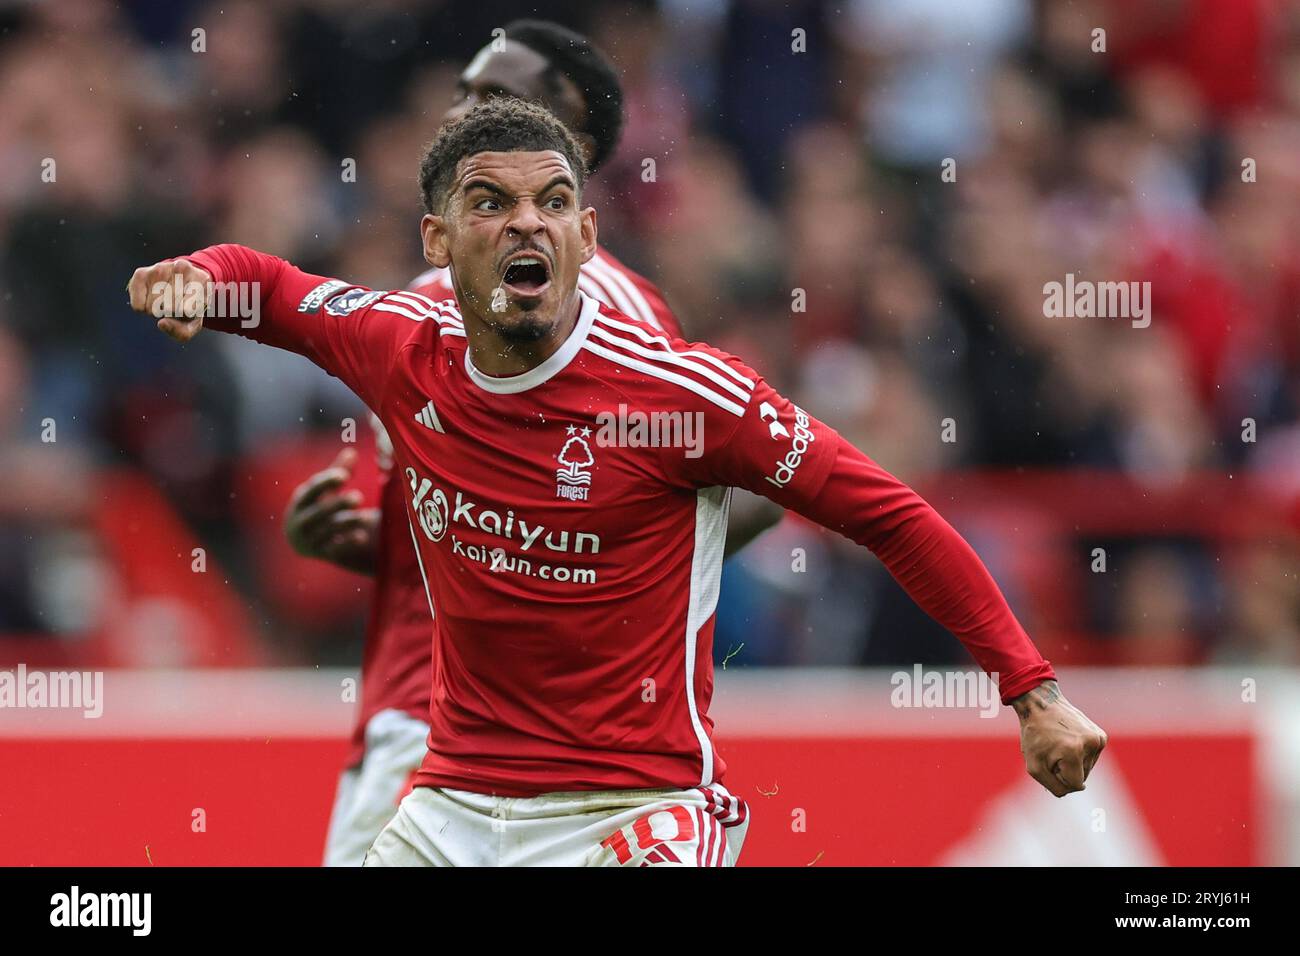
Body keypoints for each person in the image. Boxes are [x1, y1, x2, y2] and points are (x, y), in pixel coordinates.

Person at [127, 97, 1106, 867]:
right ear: (436, 242)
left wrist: (1031, 690)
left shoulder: (680, 397)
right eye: (491, 201)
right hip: (454, 805)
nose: (528, 223)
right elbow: (273, 284)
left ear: (588, 236)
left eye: (553, 202)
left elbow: (889, 513)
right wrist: (196, 279)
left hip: (639, 808)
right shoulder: (399, 346)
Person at [281, 20, 779, 866]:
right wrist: (379, 545)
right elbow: (495, 519)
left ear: (572, 141)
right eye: (461, 93)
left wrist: (585, 598)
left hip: (502, 756)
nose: (458, 112)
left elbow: (749, 494)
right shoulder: (428, 294)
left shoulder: (611, 313)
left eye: (492, 98)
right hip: (415, 715)